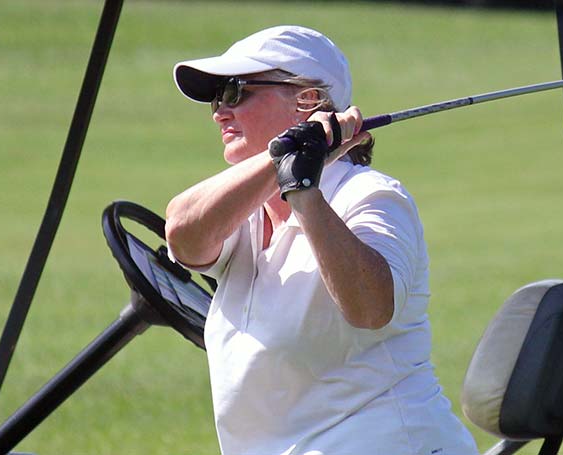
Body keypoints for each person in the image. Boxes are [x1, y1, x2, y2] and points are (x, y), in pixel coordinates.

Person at [166, 25, 478, 455]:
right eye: (217, 98)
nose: (221, 111)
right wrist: (284, 158)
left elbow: (371, 309)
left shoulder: (373, 195)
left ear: (308, 101)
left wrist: (304, 192)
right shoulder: (244, 212)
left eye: (236, 92)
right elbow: (184, 233)